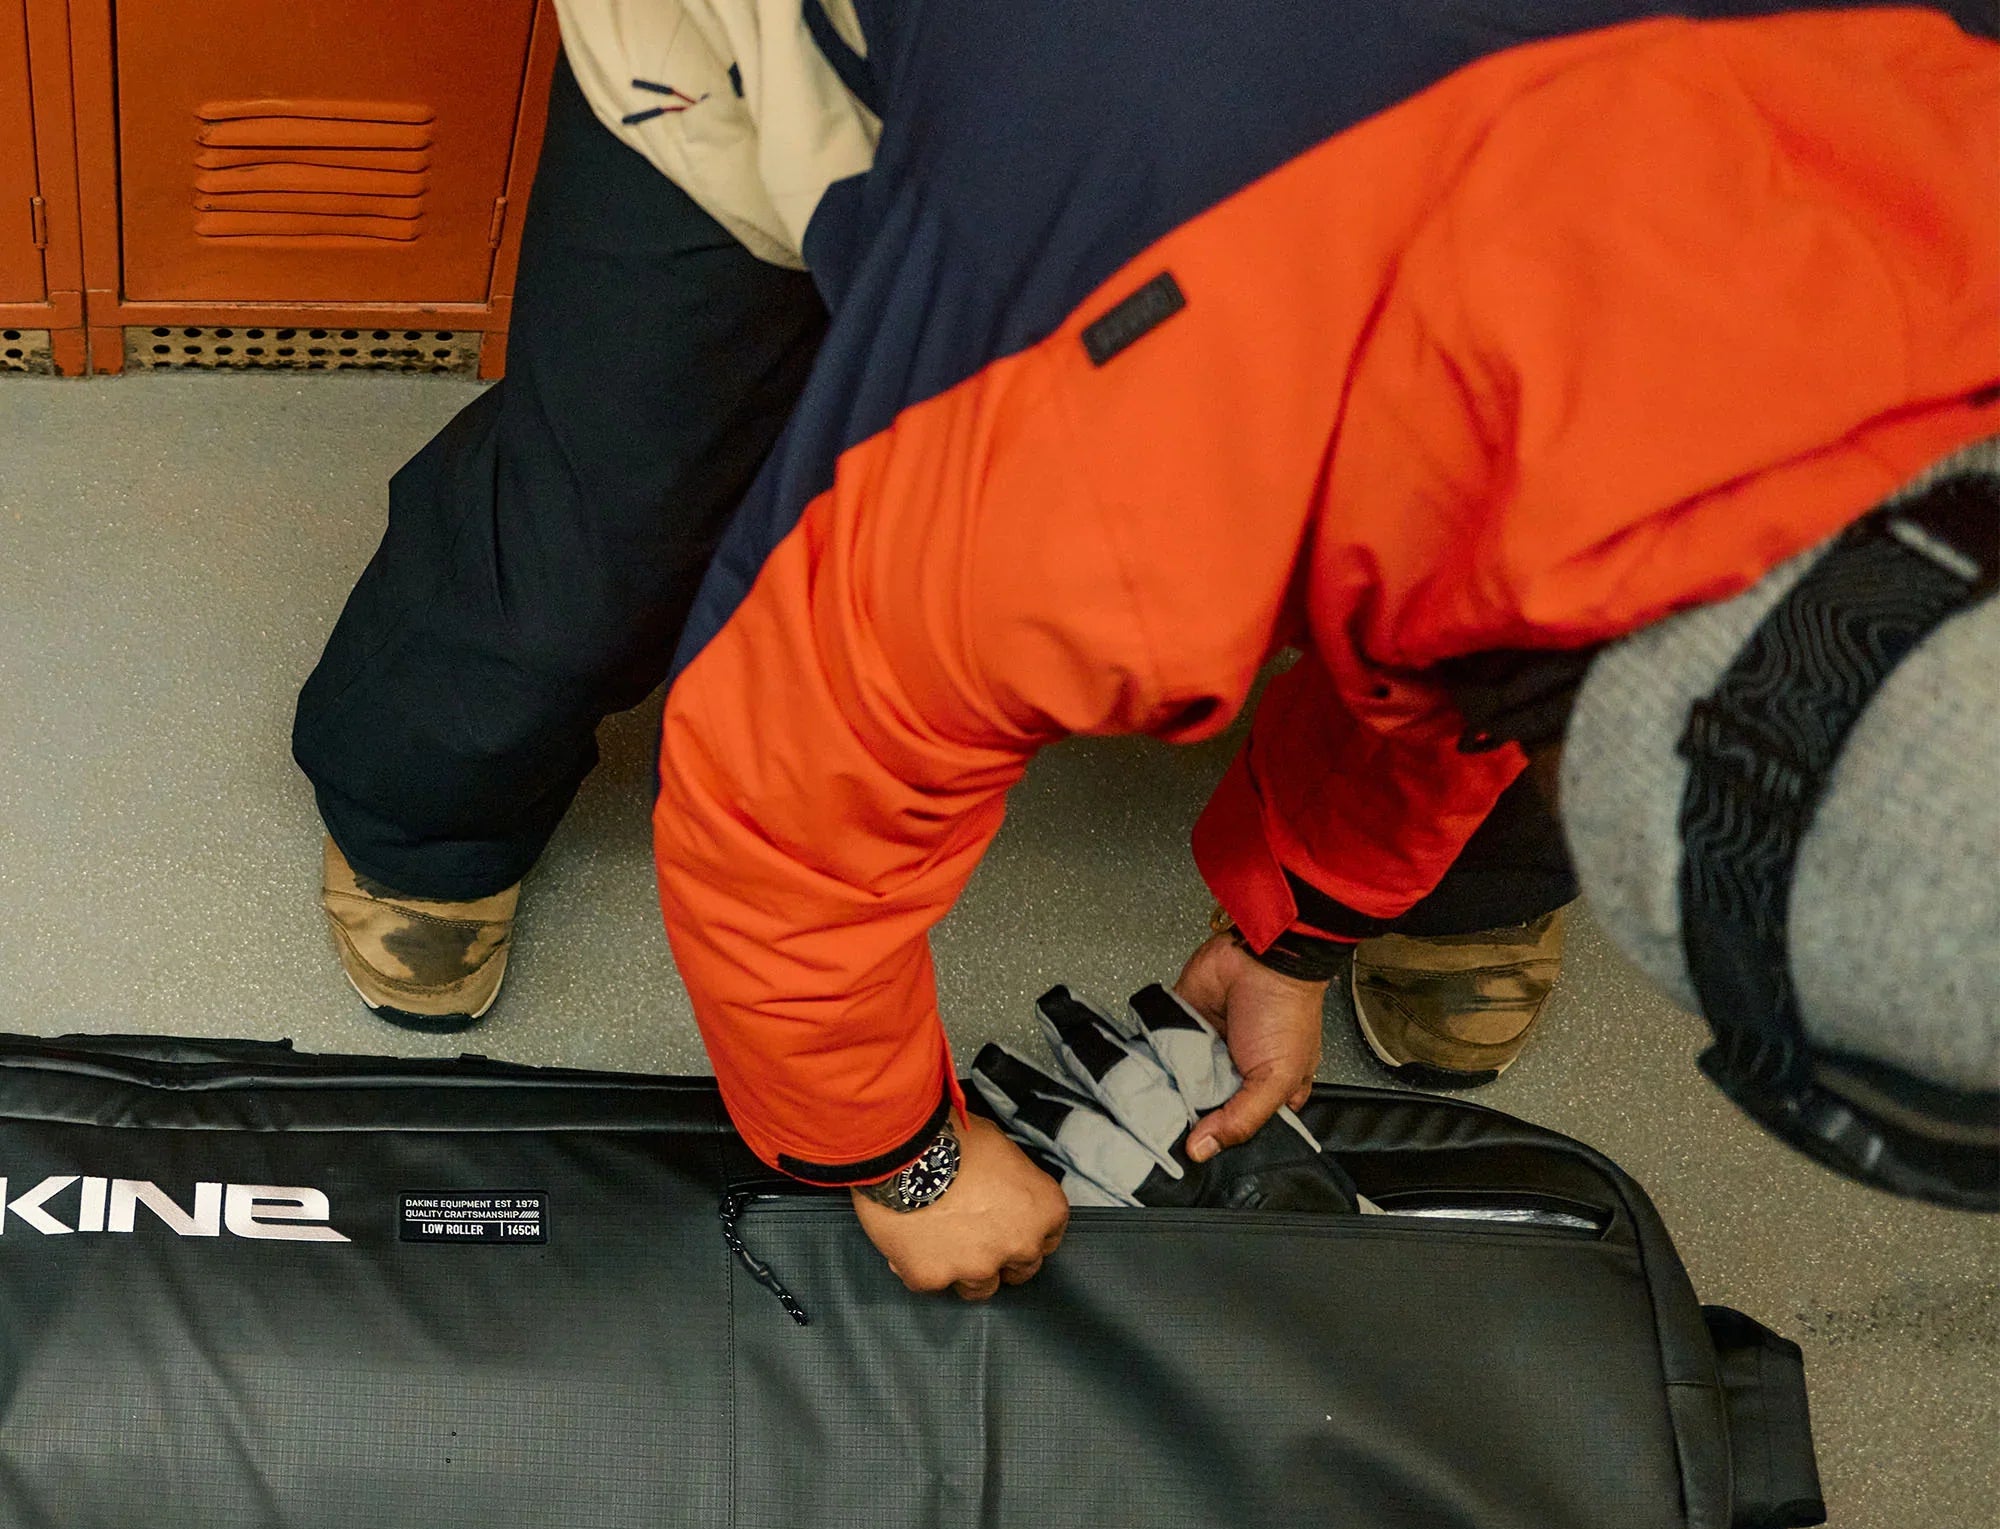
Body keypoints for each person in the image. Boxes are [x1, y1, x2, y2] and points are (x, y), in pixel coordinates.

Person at [296, 2, 1999, 1297]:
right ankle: (426, 797)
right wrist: (895, 1162)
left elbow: (1517, 628)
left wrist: (1297, 926)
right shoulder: (1102, 488)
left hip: (1297, 135)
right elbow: (785, 814)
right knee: (611, 516)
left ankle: (1435, 893)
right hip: (865, 64)